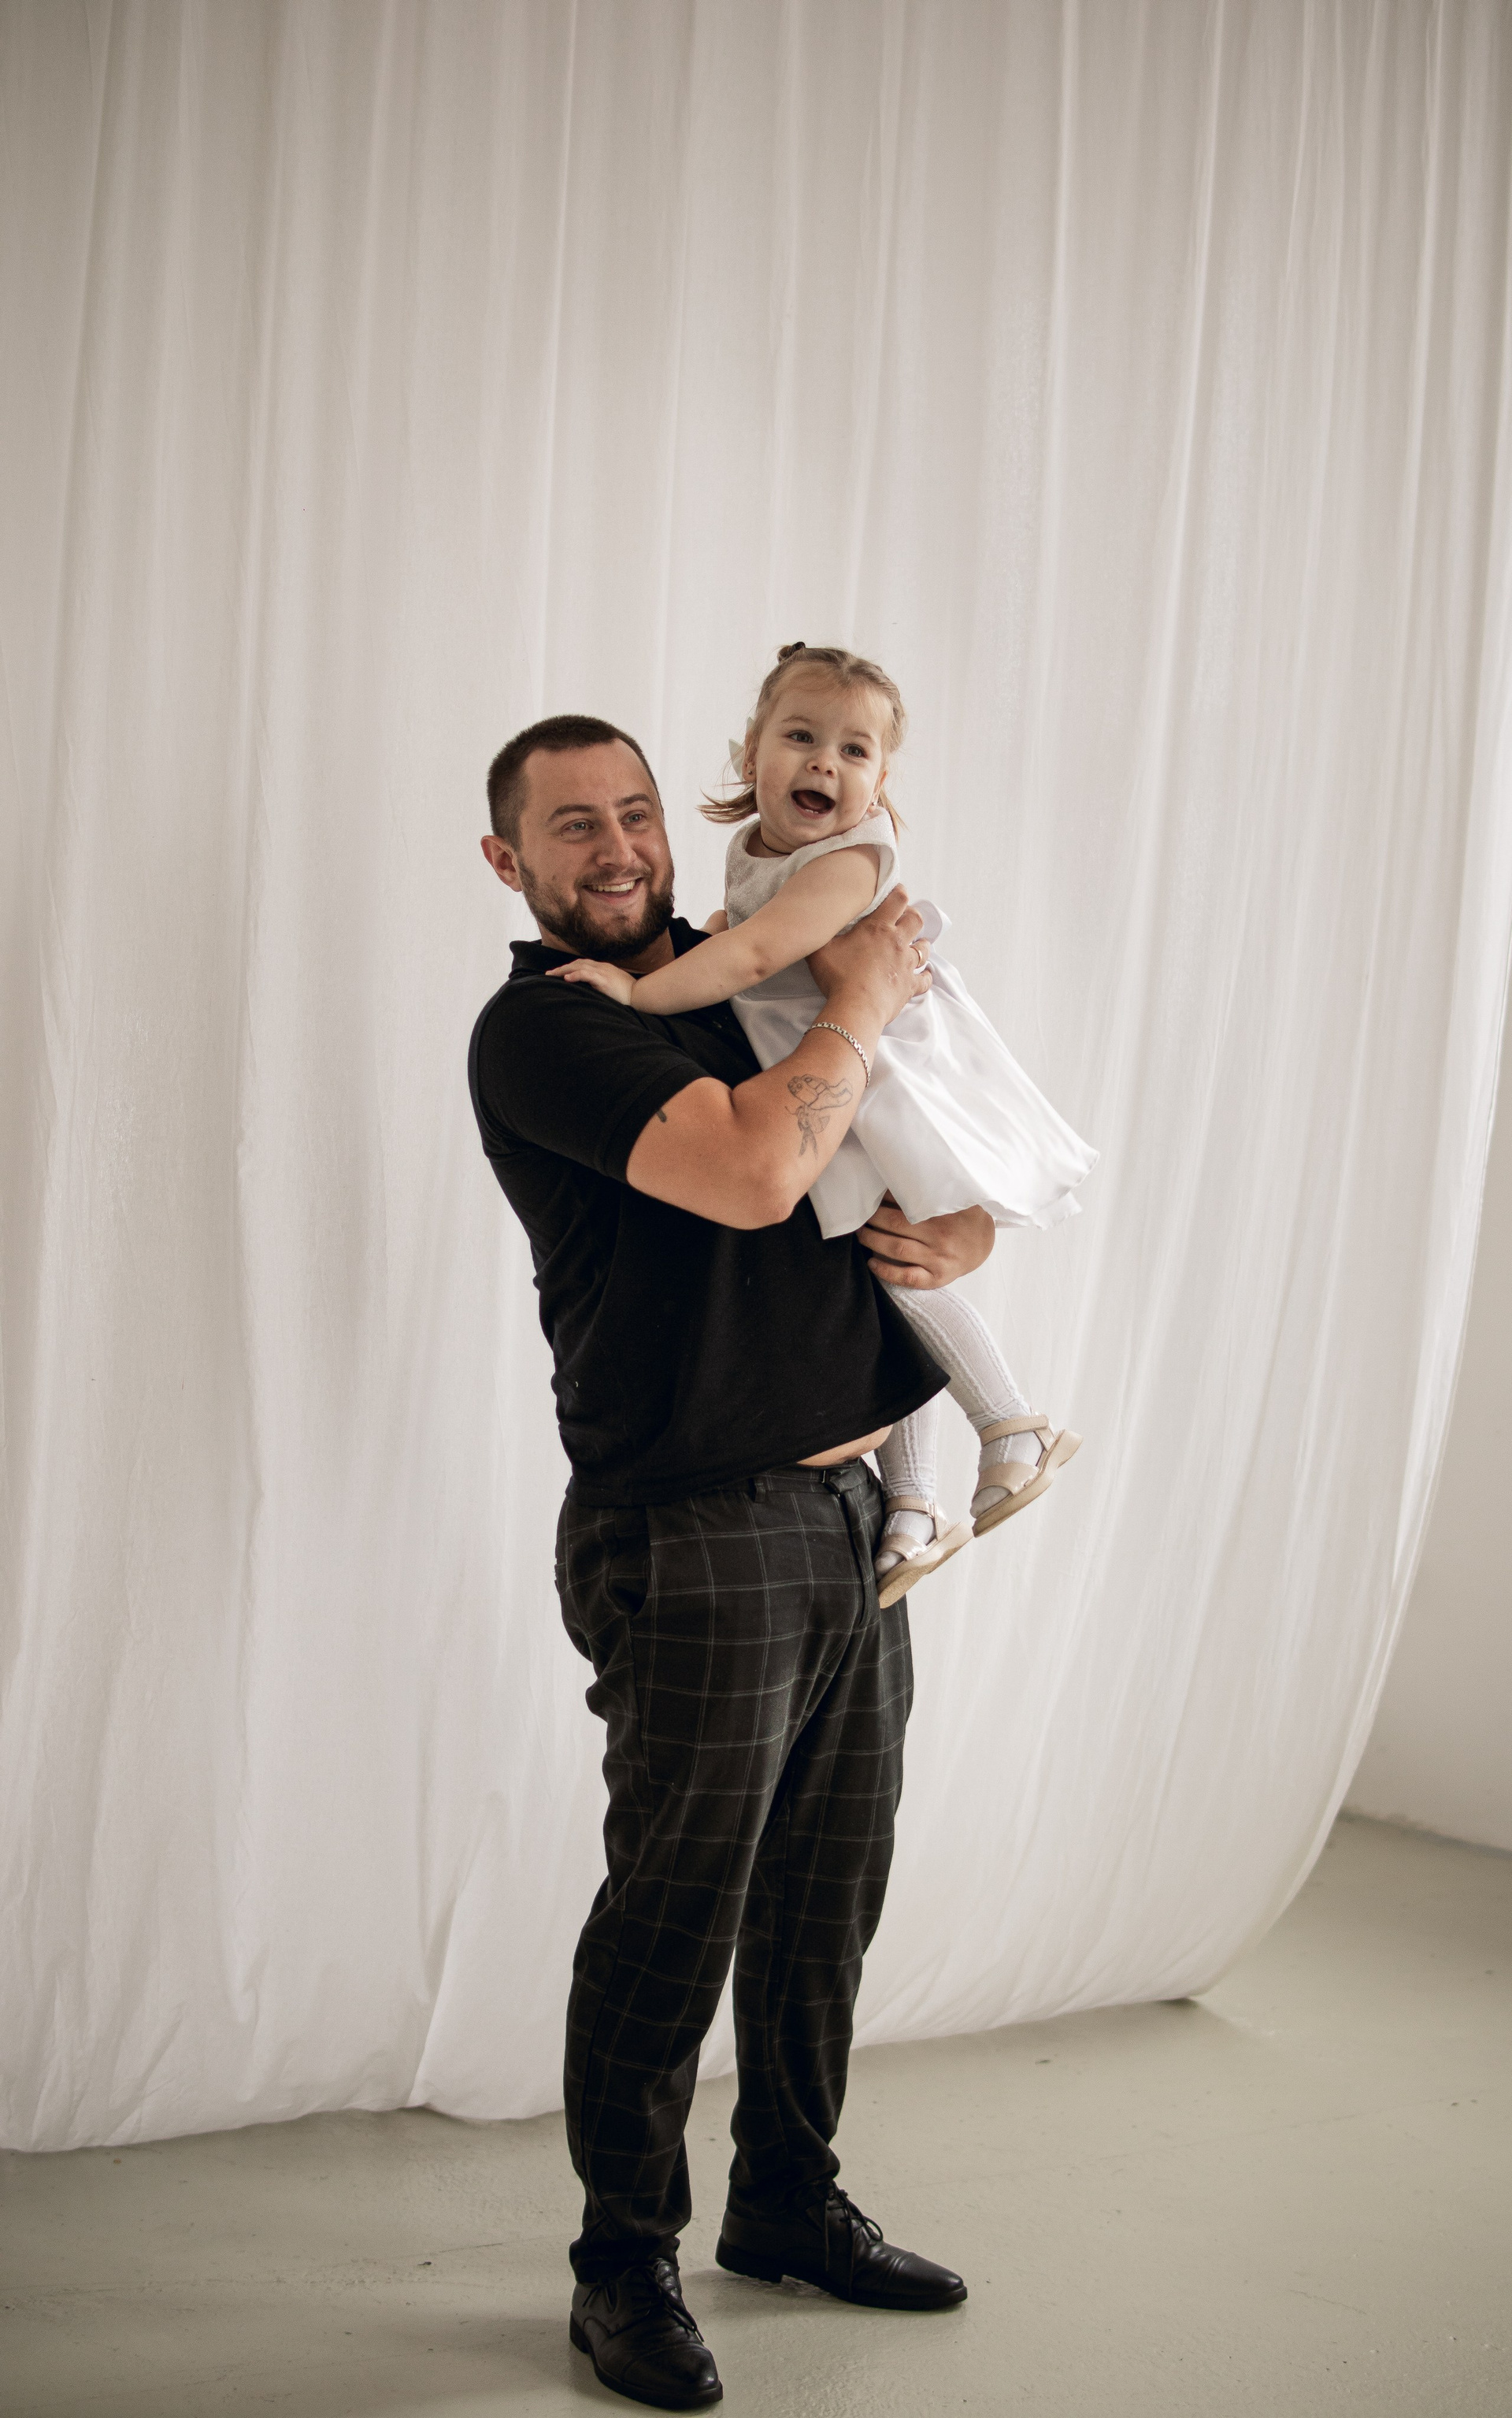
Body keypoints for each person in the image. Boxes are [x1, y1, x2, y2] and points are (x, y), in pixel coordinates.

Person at [469, 712, 988, 2412]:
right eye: (573, 826)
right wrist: (859, 1003)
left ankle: (785, 2200)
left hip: (857, 1511)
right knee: (677, 1907)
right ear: (510, 861)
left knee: (828, 1888)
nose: (619, 846)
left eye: (634, 810)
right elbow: (766, 1169)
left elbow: (907, 1123)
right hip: (695, 1524)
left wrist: (963, 1221)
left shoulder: (734, 970)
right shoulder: (551, 1027)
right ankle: (623, 2261)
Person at [550, 644, 1098, 1611]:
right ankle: (916, 1501)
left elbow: (757, 954)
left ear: (881, 782)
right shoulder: (760, 858)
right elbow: (747, 946)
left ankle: (1010, 1422)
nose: (824, 763)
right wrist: (720, 944)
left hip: (885, 1073)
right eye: (801, 737)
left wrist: (638, 992)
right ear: (750, 751)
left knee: (885, 1264)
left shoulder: (848, 861)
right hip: (838, 1071)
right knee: (873, 1269)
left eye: (855, 751)